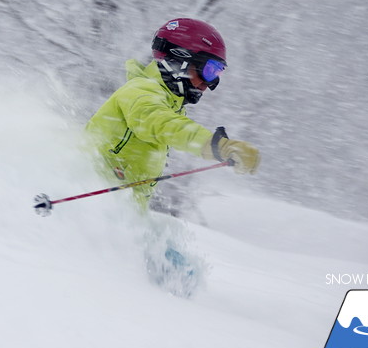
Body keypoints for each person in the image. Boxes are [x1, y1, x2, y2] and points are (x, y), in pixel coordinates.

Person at [85, 18, 260, 210]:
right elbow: (162, 123)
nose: (210, 84)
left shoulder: (170, 105)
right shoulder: (140, 91)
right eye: (210, 70)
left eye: (217, 73)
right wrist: (219, 146)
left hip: (112, 215)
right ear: (180, 61)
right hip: (88, 203)